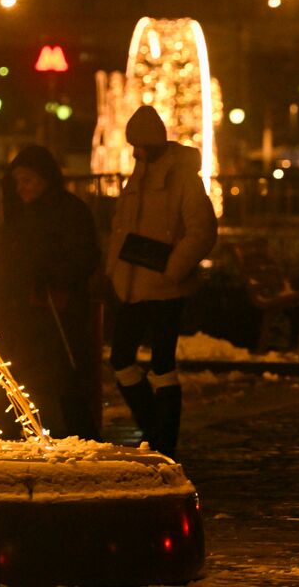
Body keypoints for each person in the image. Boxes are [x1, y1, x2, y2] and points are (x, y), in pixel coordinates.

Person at [106, 105, 217, 459]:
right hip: (134, 282)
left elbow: (201, 230)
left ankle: (162, 438)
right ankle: (155, 428)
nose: (137, 152)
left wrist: (173, 269)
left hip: (164, 286)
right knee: (123, 359)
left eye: (142, 145)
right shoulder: (138, 176)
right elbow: (122, 229)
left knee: (162, 364)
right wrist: (112, 272)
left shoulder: (181, 177)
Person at [0, 145, 102, 439]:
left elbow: (84, 256)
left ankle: (78, 435)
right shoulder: (18, 216)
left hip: (53, 311)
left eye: (28, 180)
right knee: (15, 377)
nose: (22, 188)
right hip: (17, 313)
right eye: (17, 182)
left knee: (59, 380)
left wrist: (53, 277)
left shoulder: (69, 211)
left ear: (46, 179)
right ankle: (12, 435)